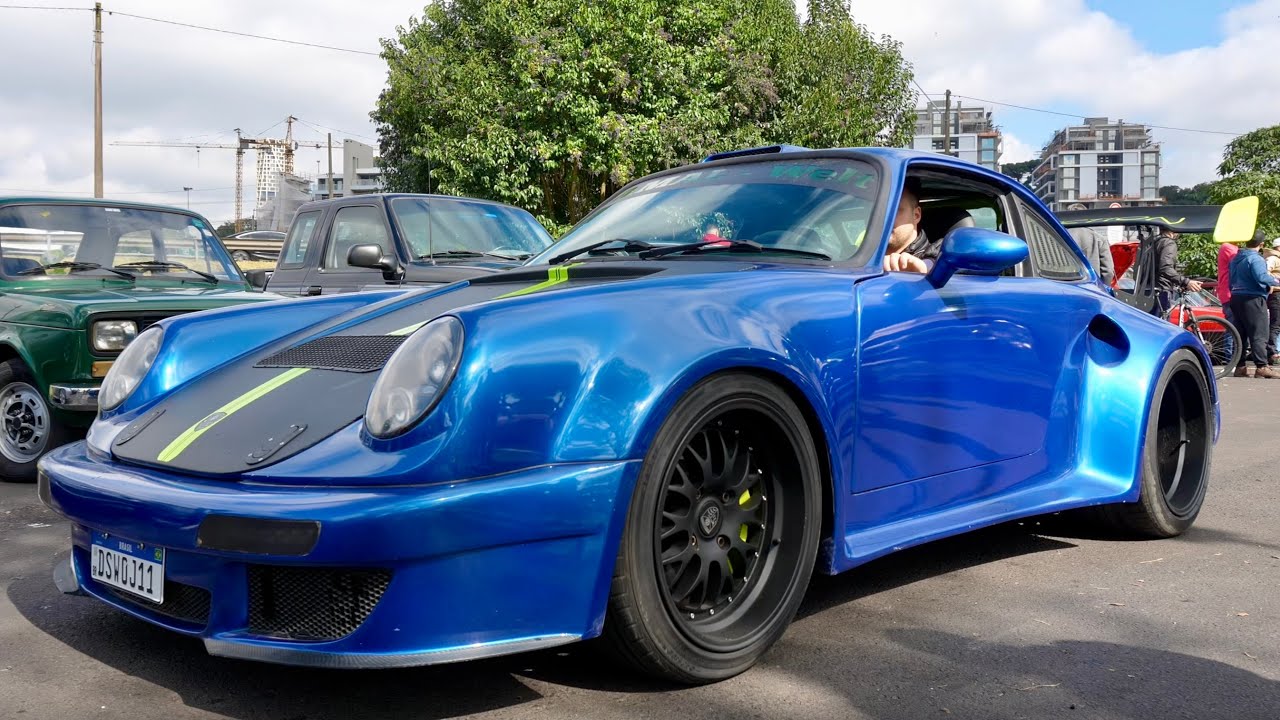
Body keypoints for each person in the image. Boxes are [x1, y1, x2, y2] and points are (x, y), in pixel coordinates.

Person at [1228, 230, 1280, 378]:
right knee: (1259, 332)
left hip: (1236, 297)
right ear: (1261, 244)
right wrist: (1275, 281)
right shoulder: (1256, 259)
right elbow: (1261, 277)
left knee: (1240, 333)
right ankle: (1262, 366)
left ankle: (1240, 366)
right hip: (1253, 297)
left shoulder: (1235, 258)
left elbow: (1230, 280)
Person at [882, 178, 938, 273]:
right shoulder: (864, 256)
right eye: (879, 211)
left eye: (894, 210)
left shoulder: (939, 254)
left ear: (916, 215)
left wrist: (925, 271)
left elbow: (962, 271)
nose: (884, 217)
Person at [1152, 227, 1202, 316]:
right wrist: (1186, 282)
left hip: (1149, 290)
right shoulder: (1169, 243)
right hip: (1162, 289)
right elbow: (1166, 268)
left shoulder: (1153, 242)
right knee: (1162, 324)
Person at [1064, 203, 1115, 285]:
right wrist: (1102, 289)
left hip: (1065, 286)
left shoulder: (1059, 236)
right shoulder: (1099, 239)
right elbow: (1108, 271)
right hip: (1092, 288)